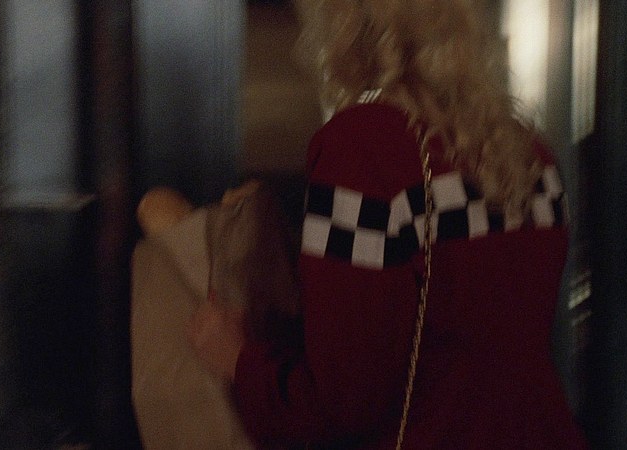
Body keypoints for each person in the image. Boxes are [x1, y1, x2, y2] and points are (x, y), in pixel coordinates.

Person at [188, 0, 590, 448]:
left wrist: (238, 359)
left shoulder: (361, 150)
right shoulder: (532, 154)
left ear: (344, 27)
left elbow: (341, 403)